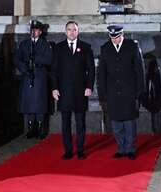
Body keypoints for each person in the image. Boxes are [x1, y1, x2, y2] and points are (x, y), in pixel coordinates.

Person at [50, 21, 95, 160]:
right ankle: (68, 150)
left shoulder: (86, 47)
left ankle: (80, 150)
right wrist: (54, 88)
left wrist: (89, 86)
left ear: (78, 31)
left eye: (74, 30)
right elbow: (54, 71)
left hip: (81, 92)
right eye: (69, 30)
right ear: (65, 31)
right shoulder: (58, 48)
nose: (71, 32)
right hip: (64, 92)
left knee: (80, 122)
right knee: (65, 123)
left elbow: (91, 70)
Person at [98, 25, 144, 159]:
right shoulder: (105, 48)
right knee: (116, 122)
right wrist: (102, 93)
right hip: (112, 92)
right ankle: (121, 148)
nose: (115, 40)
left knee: (129, 122)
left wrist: (140, 91)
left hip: (129, 91)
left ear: (122, 34)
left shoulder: (132, 46)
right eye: (112, 38)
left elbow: (139, 71)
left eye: (117, 37)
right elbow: (101, 74)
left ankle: (130, 149)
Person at [16, 20, 53, 139]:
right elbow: (17, 59)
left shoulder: (45, 44)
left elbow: (49, 59)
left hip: (39, 75)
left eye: (36, 30)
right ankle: (30, 129)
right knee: (29, 103)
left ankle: (41, 128)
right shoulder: (24, 44)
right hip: (27, 75)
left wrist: (36, 59)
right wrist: (25, 69)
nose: (34, 32)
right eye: (32, 30)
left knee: (39, 103)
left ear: (40, 32)